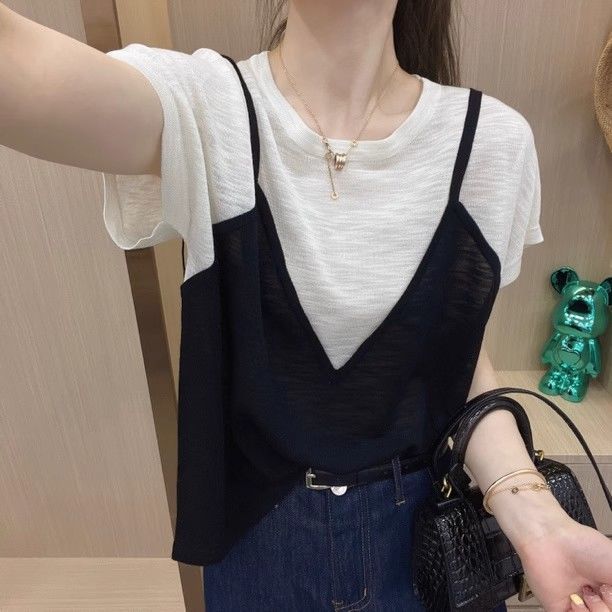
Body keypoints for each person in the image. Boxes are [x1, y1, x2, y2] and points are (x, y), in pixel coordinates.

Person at [2, 1, 612, 610]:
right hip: (260, 547)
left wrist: (533, 513)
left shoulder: (492, 142)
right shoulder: (204, 108)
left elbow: (458, 365)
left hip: (427, 544)